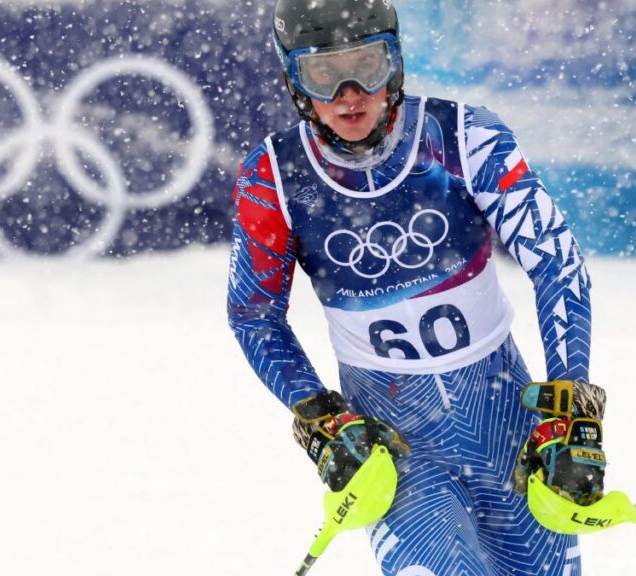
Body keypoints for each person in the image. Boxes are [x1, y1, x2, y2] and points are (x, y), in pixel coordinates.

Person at [227, 1, 608, 574]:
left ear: (397, 63)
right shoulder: (274, 176)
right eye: (324, 74)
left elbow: (556, 259)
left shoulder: (464, 137)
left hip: (505, 418)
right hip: (397, 445)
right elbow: (254, 315)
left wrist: (571, 401)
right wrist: (321, 416)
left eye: (369, 66)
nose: (350, 94)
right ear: (294, 80)